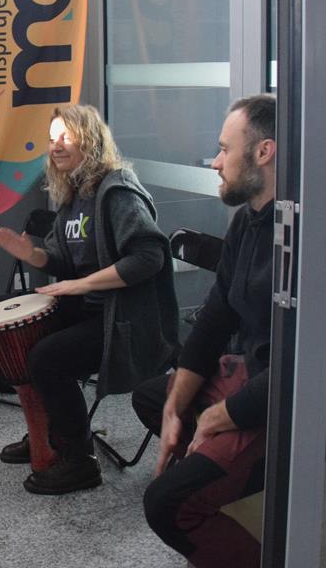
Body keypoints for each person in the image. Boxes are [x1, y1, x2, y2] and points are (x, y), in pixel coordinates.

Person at [0, 104, 179, 495]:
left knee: (48, 357)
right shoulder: (73, 195)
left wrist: (82, 285)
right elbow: (62, 260)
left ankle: (80, 462)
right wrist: (32, 255)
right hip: (93, 311)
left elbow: (149, 258)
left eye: (66, 137)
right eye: (51, 139)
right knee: (29, 337)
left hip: (127, 320)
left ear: (89, 139)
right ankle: (50, 434)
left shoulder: (117, 190)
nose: (56, 146)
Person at [133, 94, 275, 567]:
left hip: (285, 402)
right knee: (155, 400)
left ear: (263, 152)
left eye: (224, 149)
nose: (215, 162)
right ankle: (217, 483)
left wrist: (219, 417)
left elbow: (300, 372)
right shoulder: (248, 221)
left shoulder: (305, 235)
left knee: (165, 505)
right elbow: (215, 318)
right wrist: (177, 408)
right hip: (253, 375)